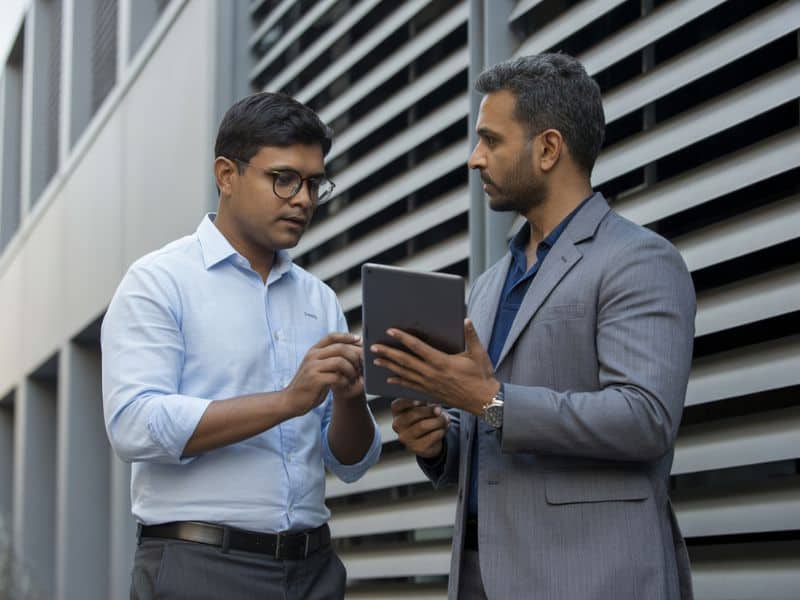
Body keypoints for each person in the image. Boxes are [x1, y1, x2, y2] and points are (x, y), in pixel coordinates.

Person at [373, 53, 696, 599]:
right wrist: (438, 443)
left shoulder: (640, 260)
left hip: (590, 578)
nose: (475, 159)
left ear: (548, 148)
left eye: (491, 141)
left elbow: (646, 418)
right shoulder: (488, 283)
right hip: (479, 575)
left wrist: (488, 400)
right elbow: (484, 429)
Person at [101, 92, 381, 600]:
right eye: (284, 179)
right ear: (226, 175)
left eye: (314, 183)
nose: (303, 199)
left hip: (315, 569)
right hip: (200, 569)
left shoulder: (319, 299)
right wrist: (286, 402)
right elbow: (134, 424)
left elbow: (350, 462)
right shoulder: (159, 282)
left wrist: (349, 396)